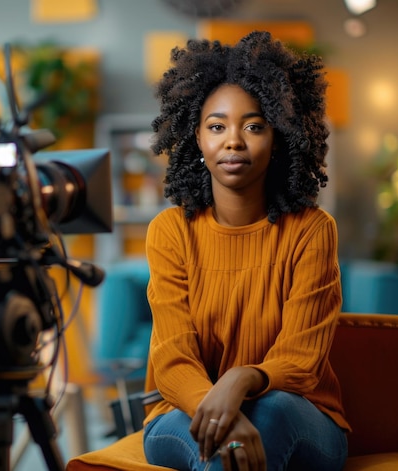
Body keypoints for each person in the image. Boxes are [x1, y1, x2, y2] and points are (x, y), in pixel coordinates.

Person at [142, 31, 349, 471]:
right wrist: (218, 409)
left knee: (270, 413)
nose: (233, 141)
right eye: (217, 126)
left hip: (298, 413)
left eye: (253, 126)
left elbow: (300, 360)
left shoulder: (311, 231)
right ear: (197, 138)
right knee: (222, 445)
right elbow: (173, 359)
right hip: (180, 411)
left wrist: (239, 379)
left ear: (278, 137)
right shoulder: (170, 231)